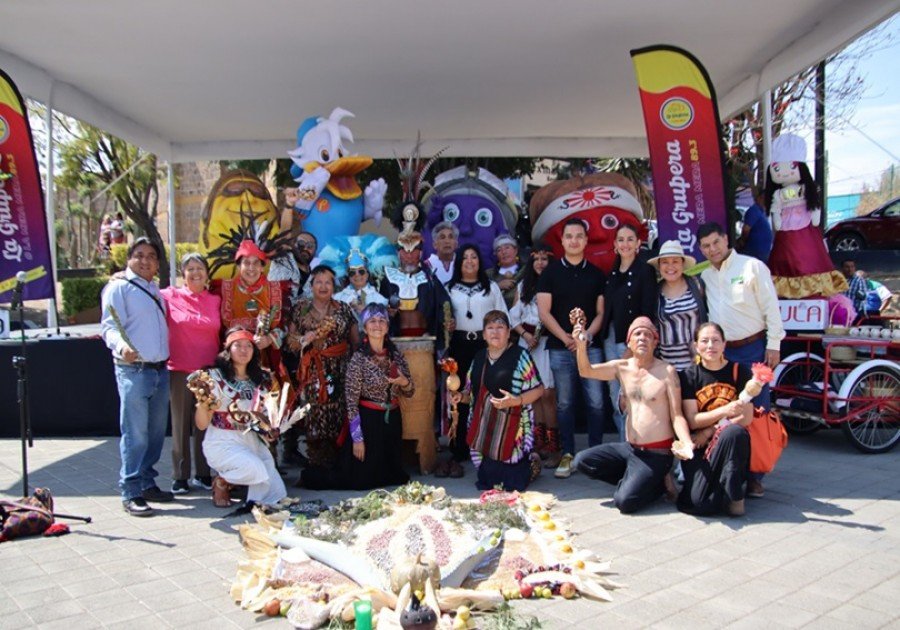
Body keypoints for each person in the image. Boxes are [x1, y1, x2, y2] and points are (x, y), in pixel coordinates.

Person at [572, 317, 693, 514]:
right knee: (582, 461)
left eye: (648, 335)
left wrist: (686, 442)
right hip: (630, 449)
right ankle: (646, 480)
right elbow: (586, 371)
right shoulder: (622, 368)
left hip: (657, 454)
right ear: (629, 341)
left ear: (655, 342)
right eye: (637, 334)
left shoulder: (667, 371)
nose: (643, 338)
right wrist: (580, 345)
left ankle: (658, 483)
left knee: (624, 502)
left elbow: (677, 415)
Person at [698, 222, 784, 498]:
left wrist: (773, 344)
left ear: (726, 240)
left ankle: (757, 476)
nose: (712, 249)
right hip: (722, 354)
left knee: (757, 414)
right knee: (728, 413)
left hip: (753, 349)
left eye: (716, 242)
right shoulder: (704, 275)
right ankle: (729, 471)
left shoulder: (752, 267)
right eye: (706, 246)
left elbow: (772, 306)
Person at [100, 237, 172, 517]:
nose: (145, 260)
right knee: (136, 433)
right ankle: (130, 490)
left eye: (151, 256)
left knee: (155, 434)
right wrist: (121, 346)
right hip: (134, 370)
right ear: (129, 259)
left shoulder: (155, 289)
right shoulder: (118, 287)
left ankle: (147, 481)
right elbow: (109, 326)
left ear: (157, 263)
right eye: (139, 255)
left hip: (159, 370)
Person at [536, 218, 607, 478]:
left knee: (596, 403)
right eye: (569, 236)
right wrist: (566, 338)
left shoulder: (597, 274)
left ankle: (597, 454)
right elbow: (544, 312)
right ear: (562, 240)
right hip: (559, 347)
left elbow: (600, 313)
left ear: (586, 240)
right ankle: (567, 453)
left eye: (579, 236)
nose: (574, 240)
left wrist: (585, 337)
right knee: (564, 403)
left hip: (591, 348)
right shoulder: (550, 273)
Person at [192, 327, 287, 510]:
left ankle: (233, 482)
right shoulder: (213, 378)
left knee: (275, 492)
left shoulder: (261, 378)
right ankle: (221, 482)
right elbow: (201, 424)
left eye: (249, 346)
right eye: (238, 345)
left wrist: (270, 430)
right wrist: (203, 404)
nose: (244, 350)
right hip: (223, 440)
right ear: (228, 349)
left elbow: (266, 415)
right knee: (256, 469)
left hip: (251, 440)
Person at [450, 311, 544, 491]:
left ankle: (532, 463)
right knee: (487, 482)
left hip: (512, 430)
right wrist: (460, 397)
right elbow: (471, 394)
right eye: (490, 328)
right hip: (485, 430)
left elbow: (539, 389)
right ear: (484, 334)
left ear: (509, 332)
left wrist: (517, 400)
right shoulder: (479, 357)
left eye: (500, 327)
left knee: (514, 483)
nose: (495, 332)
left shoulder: (520, 355)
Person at [442, 244, 508, 478]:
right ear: (458, 262)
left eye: (474, 257)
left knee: (485, 392)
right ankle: (459, 446)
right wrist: (446, 325)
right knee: (458, 394)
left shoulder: (490, 288)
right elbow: (441, 316)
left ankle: (488, 445)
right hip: (459, 345)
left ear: (480, 261)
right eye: (465, 257)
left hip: (484, 346)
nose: (470, 261)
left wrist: (499, 345)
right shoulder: (449, 289)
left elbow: (502, 316)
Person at [290, 265, 359, 484]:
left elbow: (355, 341)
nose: (323, 286)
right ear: (311, 286)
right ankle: (318, 468)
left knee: (340, 415)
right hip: (313, 371)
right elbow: (290, 342)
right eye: (318, 282)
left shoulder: (344, 309)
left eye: (328, 282)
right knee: (315, 417)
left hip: (341, 369)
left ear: (334, 286)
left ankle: (340, 466)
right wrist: (304, 340)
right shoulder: (300, 309)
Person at [335, 304, 415, 489]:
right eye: (372, 321)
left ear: (387, 326)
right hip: (368, 422)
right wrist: (357, 439)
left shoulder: (396, 356)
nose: (377, 325)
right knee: (363, 481)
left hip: (392, 420)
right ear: (365, 327)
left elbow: (410, 391)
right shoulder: (358, 359)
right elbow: (351, 401)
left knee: (394, 478)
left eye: (381, 321)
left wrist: (404, 383)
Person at [677, 322, 753, 517]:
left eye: (716, 340)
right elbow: (693, 420)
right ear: (695, 346)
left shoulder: (739, 372)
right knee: (699, 504)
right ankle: (722, 493)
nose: (710, 346)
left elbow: (746, 417)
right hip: (701, 447)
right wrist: (726, 410)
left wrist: (710, 431)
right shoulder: (688, 376)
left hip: (730, 443)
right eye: (704, 341)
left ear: (724, 344)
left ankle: (736, 496)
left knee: (734, 433)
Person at [160, 253, 221, 495]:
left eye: (200, 268)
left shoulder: (215, 300)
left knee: (205, 425)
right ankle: (180, 475)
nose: (196, 273)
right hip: (180, 370)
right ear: (183, 274)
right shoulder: (168, 296)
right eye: (190, 269)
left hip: (209, 372)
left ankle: (204, 473)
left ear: (207, 273)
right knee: (181, 425)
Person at [599, 224, 658, 439]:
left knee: (634, 394)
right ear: (614, 245)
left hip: (633, 343)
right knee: (616, 395)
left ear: (638, 243)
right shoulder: (612, 273)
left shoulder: (645, 271)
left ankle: (638, 445)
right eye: (621, 240)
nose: (625, 244)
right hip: (610, 339)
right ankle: (624, 446)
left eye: (630, 239)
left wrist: (631, 350)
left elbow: (647, 312)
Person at [509, 243, 561, 467]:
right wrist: (525, 335)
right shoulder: (524, 285)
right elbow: (513, 316)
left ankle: (554, 444)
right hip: (527, 342)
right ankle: (538, 441)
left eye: (544, 259)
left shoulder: (557, 284)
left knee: (548, 393)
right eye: (536, 259)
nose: (540, 263)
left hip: (548, 342)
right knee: (534, 394)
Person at [216, 240, 285, 377]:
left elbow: (285, 327)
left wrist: (269, 339)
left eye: (256, 263)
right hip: (233, 359)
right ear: (238, 266)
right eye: (246, 263)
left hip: (265, 359)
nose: (251, 268)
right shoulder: (224, 289)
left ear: (262, 267)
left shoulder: (275, 289)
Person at [649, 240, 708, 371]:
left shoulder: (697, 285)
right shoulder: (655, 292)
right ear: (659, 266)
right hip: (667, 365)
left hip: (697, 362)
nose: (670, 266)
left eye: (675, 261)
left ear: (682, 264)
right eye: (665, 262)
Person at [268, 231, 319, 308]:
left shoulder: (313, 279)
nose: (305, 248)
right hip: (269, 312)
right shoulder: (281, 259)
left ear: (315, 252)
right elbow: (284, 230)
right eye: (301, 244)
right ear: (293, 246)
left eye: (310, 246)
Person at [334, 248, 388, 319]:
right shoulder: (337, 298)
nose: (357, 275)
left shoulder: (380, 300)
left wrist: (365, 311)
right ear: (348, 276)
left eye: (361, 271)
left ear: (367, 274)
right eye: (352, 272)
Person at [487, 234, 526, 309]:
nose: (503, 252)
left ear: (516, 250)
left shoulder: (526, 270)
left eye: (507, 247)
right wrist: (497, 286)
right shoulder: (489, 274)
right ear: (496, 255)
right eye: (499, 250)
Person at [735, 194, 774, 264]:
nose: (765, 201)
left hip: (761, 252)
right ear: (758, 198)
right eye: (763, 198)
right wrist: (742, 241)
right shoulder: (754, 210)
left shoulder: (761, 212)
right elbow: (746, 229)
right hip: (754, 251)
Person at [425, 221, 458, 285]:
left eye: (451, 237)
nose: (447, 241)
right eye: (442, 237)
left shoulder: (464, 265)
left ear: (456, 244)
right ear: (435, 245)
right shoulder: (425, 267)